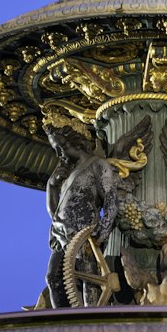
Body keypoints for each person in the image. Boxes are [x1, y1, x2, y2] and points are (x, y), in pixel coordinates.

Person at [42, 109, 120, 307]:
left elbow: (111, 199)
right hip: (61, 234)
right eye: (56, 149)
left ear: (74, 142)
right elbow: (55, 212)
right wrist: (51, 187)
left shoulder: (97, 165)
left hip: (83, 235)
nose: (60, 153)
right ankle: (62, 323)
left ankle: (90, 316)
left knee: (88, 279)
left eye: (61, 147)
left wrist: (102, 232)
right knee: (53, 278)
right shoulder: (68, 175)